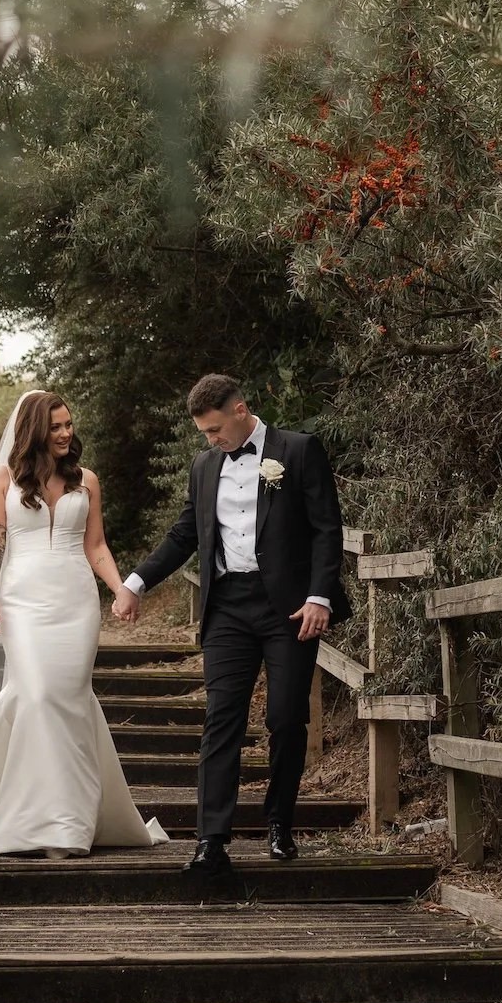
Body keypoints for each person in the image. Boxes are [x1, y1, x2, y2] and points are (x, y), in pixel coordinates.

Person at [115, 374, 345, 874]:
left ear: (241, 410)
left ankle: (280, 824)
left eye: (215, 429)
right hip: (227, 608)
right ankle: (211, 840)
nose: (210, 440)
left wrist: (320, 596)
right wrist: (135, 582)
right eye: (204, 433)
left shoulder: (298, 451)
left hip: (289, 607)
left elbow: (327, 529)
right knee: (222, 718)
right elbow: (184, 535)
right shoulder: (204, 466)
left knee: (286, 719)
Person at [0, 390, 167, 856]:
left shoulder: (86, 480)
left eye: (69, 424)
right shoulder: (5, 478)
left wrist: (119, 588)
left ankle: (66, 825)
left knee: (66, 698)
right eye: (56, 427)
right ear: (34, 430)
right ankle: (28, 819)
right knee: (37, 695)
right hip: (22, 599)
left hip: (75, 602)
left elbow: (96, 547)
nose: (66, 433)